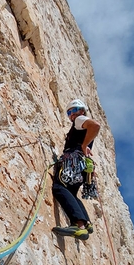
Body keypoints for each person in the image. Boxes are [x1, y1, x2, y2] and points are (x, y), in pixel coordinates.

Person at [52, 99, 100, 241]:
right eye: (69, 112)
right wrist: (85, 145)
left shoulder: (80, 120)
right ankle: (86, 222)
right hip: (81, 164)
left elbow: (95, 126)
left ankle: (79, 226)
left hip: (73, 160)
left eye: (74, 110)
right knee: (71, 192)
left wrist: (84, 145)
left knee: (59, 187)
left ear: (81, 110)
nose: (71, 114)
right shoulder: (81, 126)